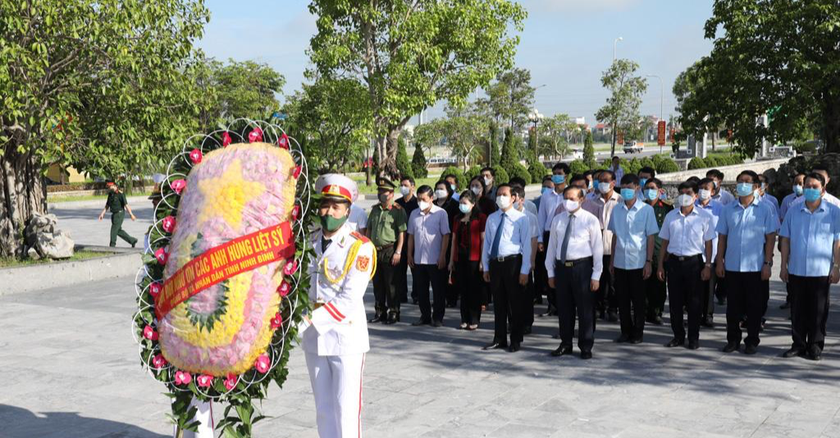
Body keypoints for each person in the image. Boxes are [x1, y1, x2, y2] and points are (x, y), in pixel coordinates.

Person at [302, 174, 374, 438]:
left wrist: (308, 319)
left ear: (347, 210)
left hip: (346, 337)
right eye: (325, 205)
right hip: (314, 340)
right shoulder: (308, 241)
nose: (328, 212)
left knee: (346, 408)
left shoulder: (359, 247)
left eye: (336, 206)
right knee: (323, 408)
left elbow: (348, 298)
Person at [715, 170, 778, 355]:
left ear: (756, 186)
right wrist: (719, 261)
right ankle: (733, 340)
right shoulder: (728, 209)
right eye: (740, 181)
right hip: (733, 266)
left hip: (755, 266)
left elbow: (770, 237)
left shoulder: (765, 209)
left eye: (747, 181)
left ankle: (752, 340)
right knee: (732, 308)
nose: (742, 184)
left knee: (754, 307)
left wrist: (767, 263)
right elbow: (722, 238)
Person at [780, 172, 840, 361]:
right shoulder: (793, 210)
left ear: (822, 189)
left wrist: (837, 266)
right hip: (797, 268)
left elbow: (837, 242)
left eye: (815, 187)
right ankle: (798, 344)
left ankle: (815, 345)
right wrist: (783, 266)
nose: (810, 190)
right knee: (797, 309)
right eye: (807, 186)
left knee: (818, 310)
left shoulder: (833, 212)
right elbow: (785, 240)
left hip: (821, 270)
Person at [546, 186, 603, 359]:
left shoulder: (590, 220)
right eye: (566, 198)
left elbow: (597, 249)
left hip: (582, 267)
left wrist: (596, 275)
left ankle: (586, 345)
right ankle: (566, 343)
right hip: (562, 268)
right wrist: (550, 271)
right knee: (564, 308)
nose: (568, 202)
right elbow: (552, 247)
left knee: (585, 308)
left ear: (582, 200)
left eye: (572, 199)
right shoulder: (558, 220)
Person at [657, 180, 715, 350]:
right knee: (675, 302)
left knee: (694, 303)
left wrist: (708, 266)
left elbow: (709, 244)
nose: (684, 197)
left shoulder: (704, 217)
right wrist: (660, 265)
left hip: (694, 263)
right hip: (674, 262)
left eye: (688, 193)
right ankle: (678, 336)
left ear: (695, 196)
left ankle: (693, 337)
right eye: (681, 193)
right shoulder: (671, 216)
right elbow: (665, 242)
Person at [608, 174, 659, 344]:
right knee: (622, 299)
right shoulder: (617, 209)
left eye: (629, 187)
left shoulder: (646, 210)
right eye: (623, 187)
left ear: (637, 188)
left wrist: (649, 262)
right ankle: (625, 331)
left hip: (638, 262)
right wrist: (612, 261)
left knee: (638, 300)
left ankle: (638, 332)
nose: (625, 190)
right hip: (620, 261)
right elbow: (615, 236)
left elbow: (650, 237)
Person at [481, 184, 532, 352]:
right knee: (499, 303)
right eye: (498, 194)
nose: (500, 197)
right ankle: (499, 338)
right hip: (496, 263)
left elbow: (526, 245)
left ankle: (516, 339)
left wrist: (525, 270)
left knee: (515, 303)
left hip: (513, 263)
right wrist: (486, 266)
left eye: (504, 194)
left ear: (513, 198)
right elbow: (487, 243)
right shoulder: (492, 218)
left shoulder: (521, 218)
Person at [407, 185, 451, 327]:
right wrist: (409, 254)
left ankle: (437, 317)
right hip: (419, 258)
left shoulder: (441, 213)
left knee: (438, 290)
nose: (421, 202)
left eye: (424, 199)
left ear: (432, 198)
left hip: (435, 258)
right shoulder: (414, 214)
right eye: (419, 199)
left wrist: (443, 255)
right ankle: (425, 316)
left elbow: (446, 235)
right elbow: (411, 236)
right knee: (421, 290)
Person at [366, 178, 407, 324]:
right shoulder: (375, 210)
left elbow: (402, 233)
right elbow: (369, 229)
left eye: (384, 191)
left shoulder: (397, 210)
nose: (381, 194)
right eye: (379, 191)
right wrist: (367, 248)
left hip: (389, 249)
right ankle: (380, 312)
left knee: (391, 284)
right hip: (375, 250)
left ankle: (394, 312)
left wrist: (398, 252)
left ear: (391, 193)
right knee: (377, 284)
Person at [449, 191, 487, 330]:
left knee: (474, 289)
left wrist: (483, 261)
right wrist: (451, 261)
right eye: (460, 203)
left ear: (473, 204)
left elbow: (483, 240)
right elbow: (453, 240)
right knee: (463, 290)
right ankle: (464, 318)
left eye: (465, 203)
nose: (462, 206)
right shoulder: (457, 218)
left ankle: (474, 318)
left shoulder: (481, 218)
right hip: (460, 257)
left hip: (475, 258)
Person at [536, 163, 570, 316]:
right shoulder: (546, 195)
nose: (556, 176)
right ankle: (552, 304)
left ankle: (565, 303)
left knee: (563, 269)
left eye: (559, 173)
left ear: (566, 176)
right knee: (549, 268)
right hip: (549, 235)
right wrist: (540, 239)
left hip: (565, 235)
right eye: (554, 173)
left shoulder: (571, 194)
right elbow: (541, 217)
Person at [643, 178, 672, 325]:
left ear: (660, 191)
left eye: (652, 188)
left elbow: (671, 231)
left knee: (659, 284)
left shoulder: (667, 208)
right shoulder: (640, 207)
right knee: (643, 284)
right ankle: (644, 310)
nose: (649, 190)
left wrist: (667, 251)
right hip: (642, 251)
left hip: (659, 251)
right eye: (647, 188)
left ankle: (656, 312)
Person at [593, 169, 621, 322]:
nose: (601, 184)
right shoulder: (593, 201)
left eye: (605, 181)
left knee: (612, 281)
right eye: (599, 180)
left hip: (612, 246)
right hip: (596, 247)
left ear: (613, 183)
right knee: (598, 279)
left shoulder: (620, 201)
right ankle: (598, 307)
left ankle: (612, 308)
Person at [511, 183, 539, 334]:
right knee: (512, 292)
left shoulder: (530, 217)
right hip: (510, 259)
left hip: (525, 258)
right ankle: (514, 321)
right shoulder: (505, 215)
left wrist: (532, 260)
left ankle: (527, 322)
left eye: (514, 198)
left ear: (521, 200)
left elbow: (534, 239)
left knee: (526, 292)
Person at [696, 178, 723, 328]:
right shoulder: (691, 206)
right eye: (700, 188)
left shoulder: (719, 209)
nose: (702, 191)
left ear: (713, 192)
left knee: (709, 288)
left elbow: (723, 234)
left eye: (706, 188)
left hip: (712, 255)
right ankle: (694, 313)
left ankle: (708, 315)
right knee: (695, 288)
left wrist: (721, 257)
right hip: (695, 254)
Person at [778, 172, 805, 310]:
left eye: (801, 183)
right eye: (796, 183)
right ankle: (791, 299)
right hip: (789, 240)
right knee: (790, 272)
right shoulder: (787, 200)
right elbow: (782, 219)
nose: (798, 186)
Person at [434, 180, 460, 307]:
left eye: (442, 188)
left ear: (448, 191)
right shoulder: (432, 204)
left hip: (449, 241)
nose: (439, 191)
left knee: (449, 271)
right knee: (437, 274)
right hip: (434, 242)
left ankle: (451, 298)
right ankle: (439, 298)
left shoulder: (454, 205)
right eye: (437, 188)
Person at [395, 175, 419, 303]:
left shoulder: (417, 203)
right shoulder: (397, 203)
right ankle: (401, 295)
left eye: (406, 185)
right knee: (399, 271)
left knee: (416, 271)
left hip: (414, 241)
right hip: (400, 241)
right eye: (401, 185)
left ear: (412, 187)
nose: (403, 188)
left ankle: (416, 295)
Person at [98, 181, 138, 248]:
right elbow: (107, 205)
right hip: (113, 215)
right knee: (118, 230)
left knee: (113, 230)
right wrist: (102, 214)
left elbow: (126, 205)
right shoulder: (110, 194)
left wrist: (131, 214)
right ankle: (132, 240)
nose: (109, 187)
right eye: (108, 186)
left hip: (119, 214)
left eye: (110, 186)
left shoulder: (120, 194)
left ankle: (112, 246)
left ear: (114, 185)